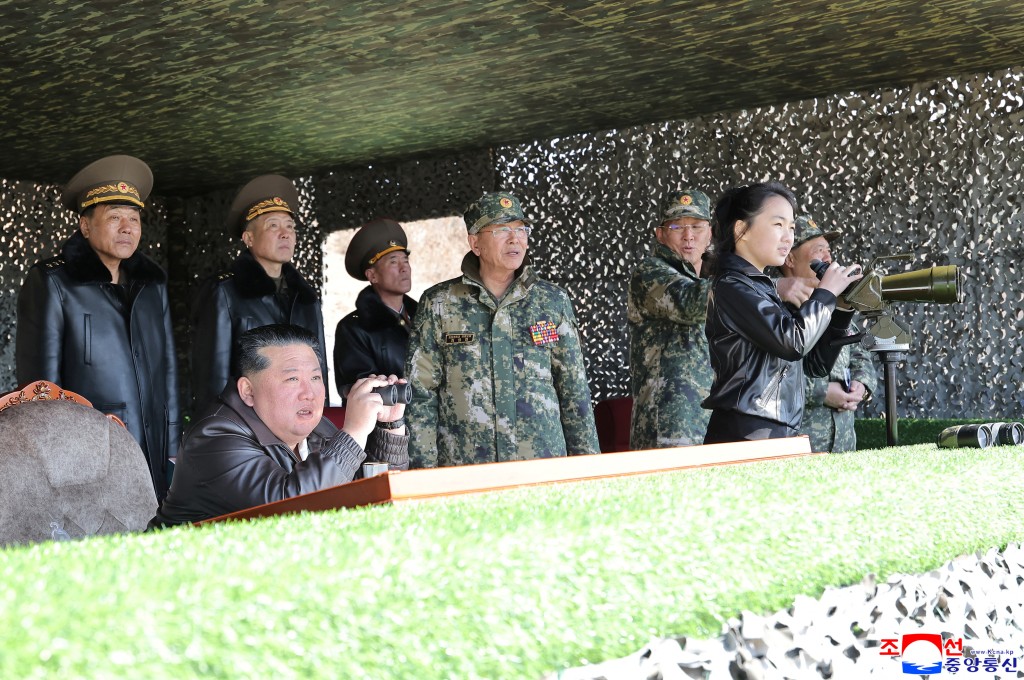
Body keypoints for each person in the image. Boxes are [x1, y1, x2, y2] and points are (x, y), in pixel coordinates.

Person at [15, 154, 180, 500]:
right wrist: (56, 460)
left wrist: (174, 447)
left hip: (152, 447)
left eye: (134, 218)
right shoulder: (54, 281)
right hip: (91, 449)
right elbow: (40, 387)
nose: (127, 227)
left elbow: (168, 372)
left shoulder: (152, 286)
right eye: (114, 217)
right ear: (86, 226)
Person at [628, 187, 833, 450]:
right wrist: (776, 285)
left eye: (697, 227)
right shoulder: (652, 273)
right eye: (677, 227)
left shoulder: (723, 277)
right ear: (660, 234)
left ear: (710, 233)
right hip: (668, 417)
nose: (689, 236)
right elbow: (690, 300)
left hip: (715, 410)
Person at [405, 191, 600, 467]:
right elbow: (420, 394)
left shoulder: (551, 301)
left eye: (521, 229)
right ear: (475, 243)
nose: (515, 239)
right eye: (502, 230)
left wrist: (588, 467)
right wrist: (423, 472)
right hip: (466, 467)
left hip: (542, 464)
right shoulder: (440, 303)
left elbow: (574, 391)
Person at [152, 324, 408, 526]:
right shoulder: (214, 436)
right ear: (248, 391)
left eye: (316, 377)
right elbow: (291, 508)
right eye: (292, 378)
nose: (309, 392)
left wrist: (390, 427)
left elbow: (375, 497)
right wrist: (353, 432)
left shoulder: (318, 429)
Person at [701, 182, 863, 444]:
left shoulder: (759, 286)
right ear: (741, 229)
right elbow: (793, 342)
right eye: (778, 225)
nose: (788, 237)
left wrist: (842, 309)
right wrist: (826, 294)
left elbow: (815, 365)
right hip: (747, 433)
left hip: (777, 431)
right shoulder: (732, 284)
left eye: (790, 227)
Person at [191, 174, 327, 413]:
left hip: (299, 422)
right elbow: (212, 376)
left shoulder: (306, 297)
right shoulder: (225, 291)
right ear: (248, 238)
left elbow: (319, 369)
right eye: (273, 225)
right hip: (246, 425)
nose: (285, 234)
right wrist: (216, 433)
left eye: (290, 227)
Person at [780, 215, 878, 452]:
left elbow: (858, 352)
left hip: (843, 446)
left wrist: (862, 386)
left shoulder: (833, 305)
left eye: (828, 250)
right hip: (799, 447)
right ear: (790, 258)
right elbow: (768, 375)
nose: (828, 258)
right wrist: (821, 392)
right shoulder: (774, 307)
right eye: (818, 250)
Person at [334, 218, 418, 400]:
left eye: (406, 260)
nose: (404, 268)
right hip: (389, 425)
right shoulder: (354, 329)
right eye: (394, 262)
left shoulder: (426, 317)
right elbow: (363, 389)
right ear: (372, 275)